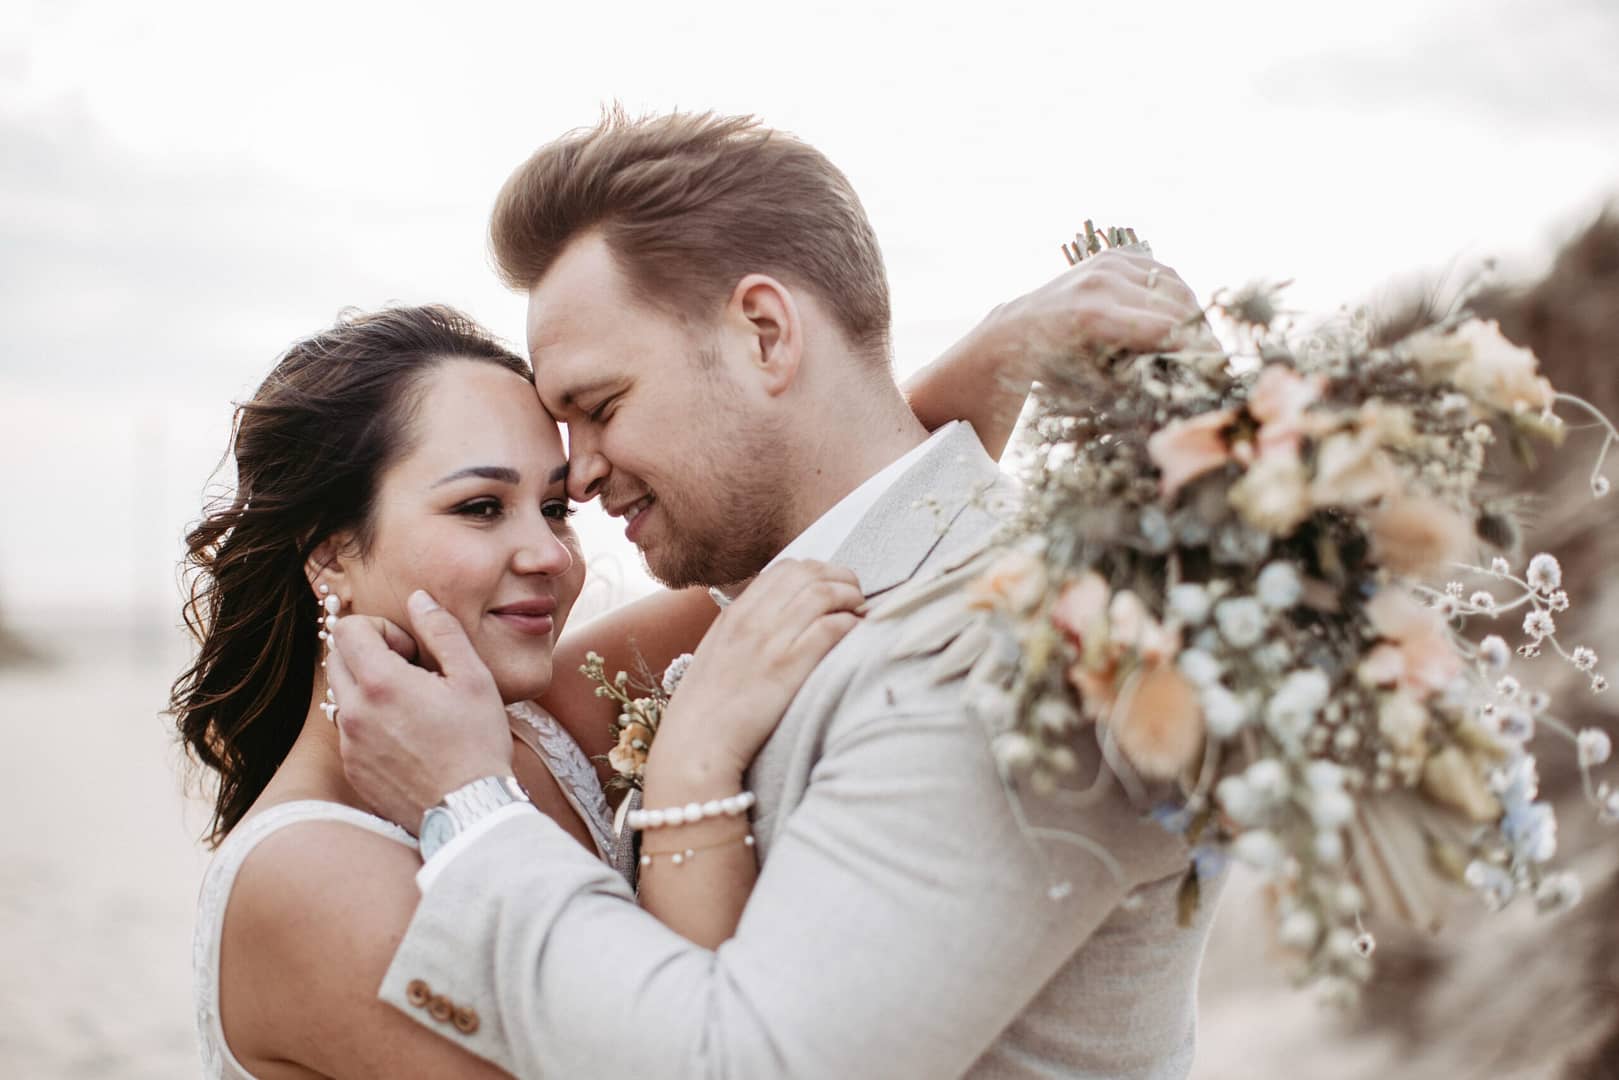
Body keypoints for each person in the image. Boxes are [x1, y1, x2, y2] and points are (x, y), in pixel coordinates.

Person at [331, 110, 1217, 1079]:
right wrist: (997, 353)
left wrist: (470, 813)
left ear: (763, 333)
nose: (575, 477)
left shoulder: (1001, 658)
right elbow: (884, 496)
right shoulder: (821, 600)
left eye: (601, 407)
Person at [175, 250, 1116, 1072]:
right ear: (331, 549)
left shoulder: (542, 721)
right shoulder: (308, 877)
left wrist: (1003, 355)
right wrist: (690, 758)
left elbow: (843, 540)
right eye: (478, 508)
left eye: (555, 508)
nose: (546, 554)